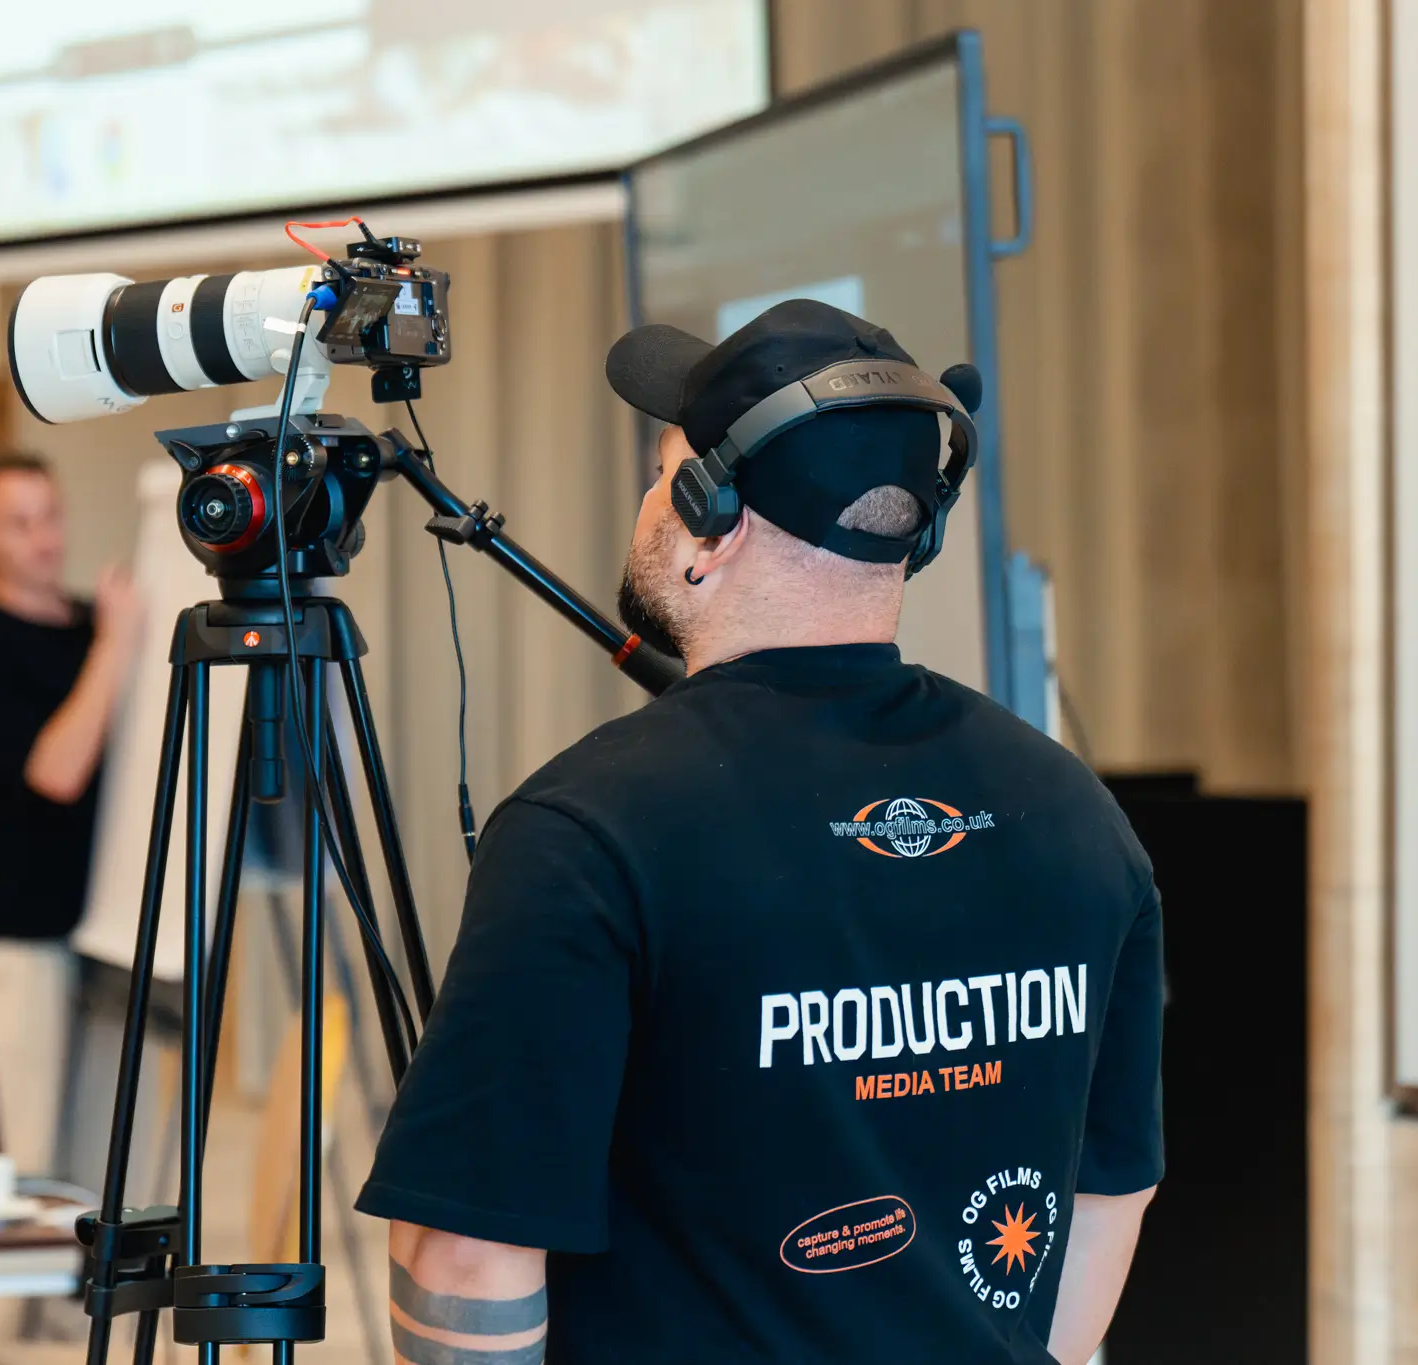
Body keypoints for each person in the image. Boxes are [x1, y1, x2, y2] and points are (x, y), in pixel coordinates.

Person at [357, 302, 1163, 1364]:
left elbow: (465, 1258)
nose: (648, 505)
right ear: (912, 532)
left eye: (661, 476)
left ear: (710, 520)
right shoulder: (1075, 814)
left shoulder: (587, 832)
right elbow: (1108, 1191)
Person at [0, 452, 142, 1182]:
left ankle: (76, 1305)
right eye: (20, 523)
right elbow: (57, 770)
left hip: (114, 938)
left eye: (50, 515)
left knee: (96, 1180)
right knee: (13, 1174)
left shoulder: (95, 626)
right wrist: (118, 644)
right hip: (25, 943)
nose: (45, 538)